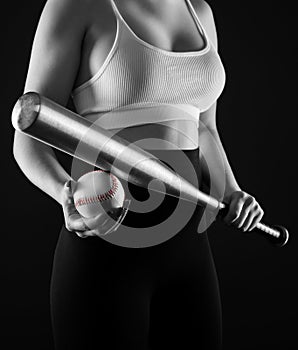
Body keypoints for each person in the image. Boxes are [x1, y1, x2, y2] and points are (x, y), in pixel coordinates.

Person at [12, 0, 265, 349]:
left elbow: (204, 128)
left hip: (187, 249)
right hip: (106, 246)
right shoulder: (75, 6)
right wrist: (64, 193)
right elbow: (28, 139)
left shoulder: (200, 12)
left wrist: (233, 190)